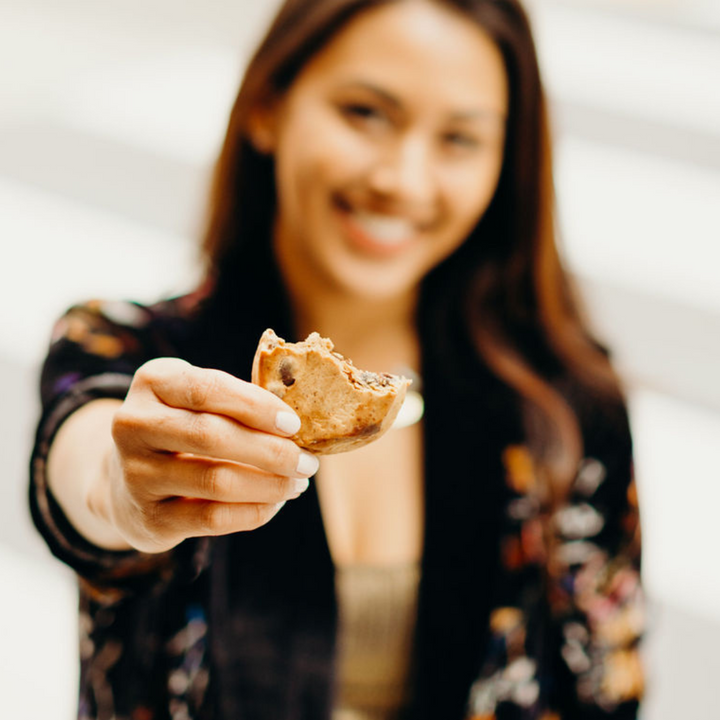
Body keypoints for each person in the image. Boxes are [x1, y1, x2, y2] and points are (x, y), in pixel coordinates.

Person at [29, 0, 645, 718]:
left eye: (460, 139)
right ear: (268, 106)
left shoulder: (564, 399)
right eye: (364, 113)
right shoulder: (134, 350)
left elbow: (608, 687)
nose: (404, 180)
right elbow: (82, 459)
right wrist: (124, 492)